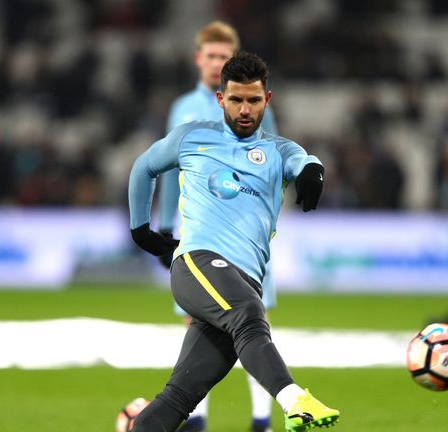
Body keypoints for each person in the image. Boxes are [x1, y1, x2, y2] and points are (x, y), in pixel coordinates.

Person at [128, 52, 339, 432]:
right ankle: (295, 401)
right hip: (197, 264)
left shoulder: (278, 150)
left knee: (177, 398)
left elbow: (305, 161)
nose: (245, 109)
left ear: (267, 100)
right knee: (250, 315)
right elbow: (144, 167)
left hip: (242, 284)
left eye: (254, 100)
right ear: (220, 99)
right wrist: (140, 228)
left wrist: (314, 171)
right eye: (237, 99)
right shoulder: (193, 137)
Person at [156, 21, 278, 432]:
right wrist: (164, 227)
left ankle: (261, 419)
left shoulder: (254, 105)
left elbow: (274, 165)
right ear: (198, 59)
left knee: (252, 320)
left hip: (244, 234)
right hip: (196, 233)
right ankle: (198, 420)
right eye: (210, 56)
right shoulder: (183, 110)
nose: (216, 63)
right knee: (198, 321)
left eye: (223, 57)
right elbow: (169, 173)